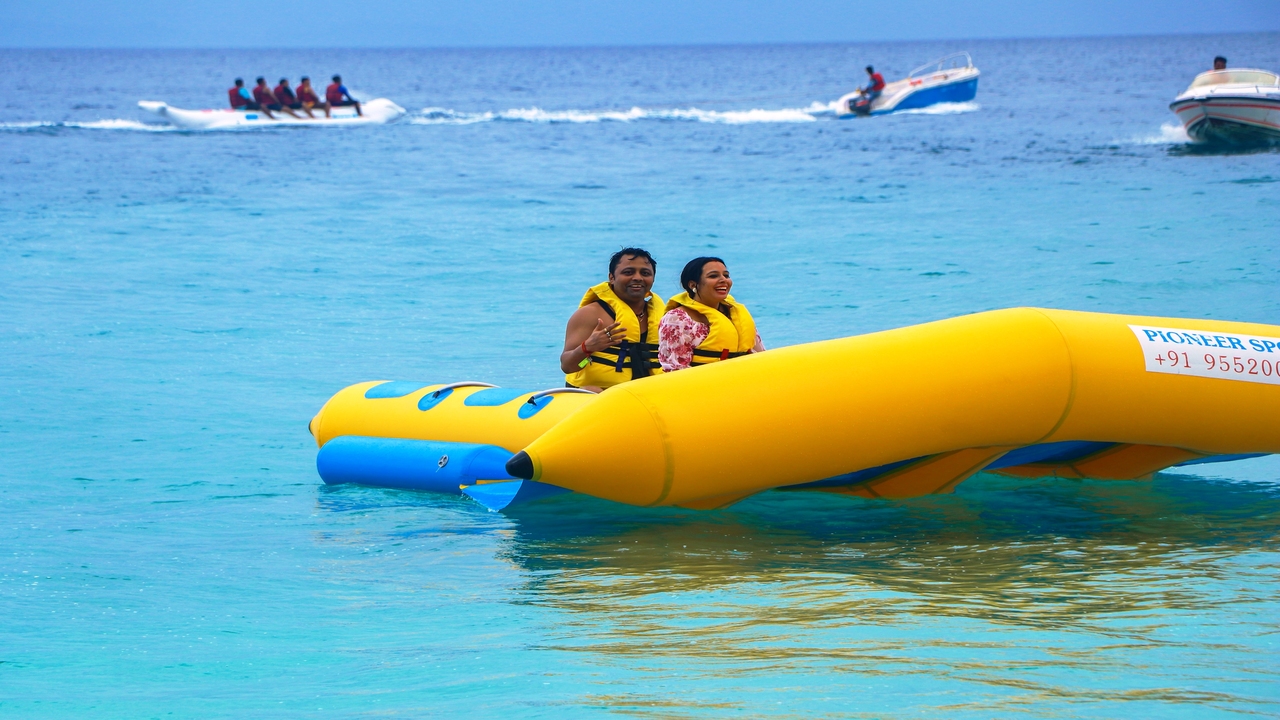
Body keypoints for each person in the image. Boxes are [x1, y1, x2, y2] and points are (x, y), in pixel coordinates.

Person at [561, 248, 665, 392]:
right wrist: (587, 348)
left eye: (645, 273)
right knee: (593, 390)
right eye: (628, 272)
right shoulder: (590, 314)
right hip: (598, 395)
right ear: (612, 277)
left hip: (642, 396)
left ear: (653, 279)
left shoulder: (664, 317)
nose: (637, 277)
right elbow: (567, 366)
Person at [658, 257, 764, 372]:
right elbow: (674, 368)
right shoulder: (677, 319)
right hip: (705, 385)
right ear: (693, 285)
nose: (724, 280)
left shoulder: (737, 314)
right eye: (713, 276)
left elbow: (761, 354)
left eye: (726, 275)